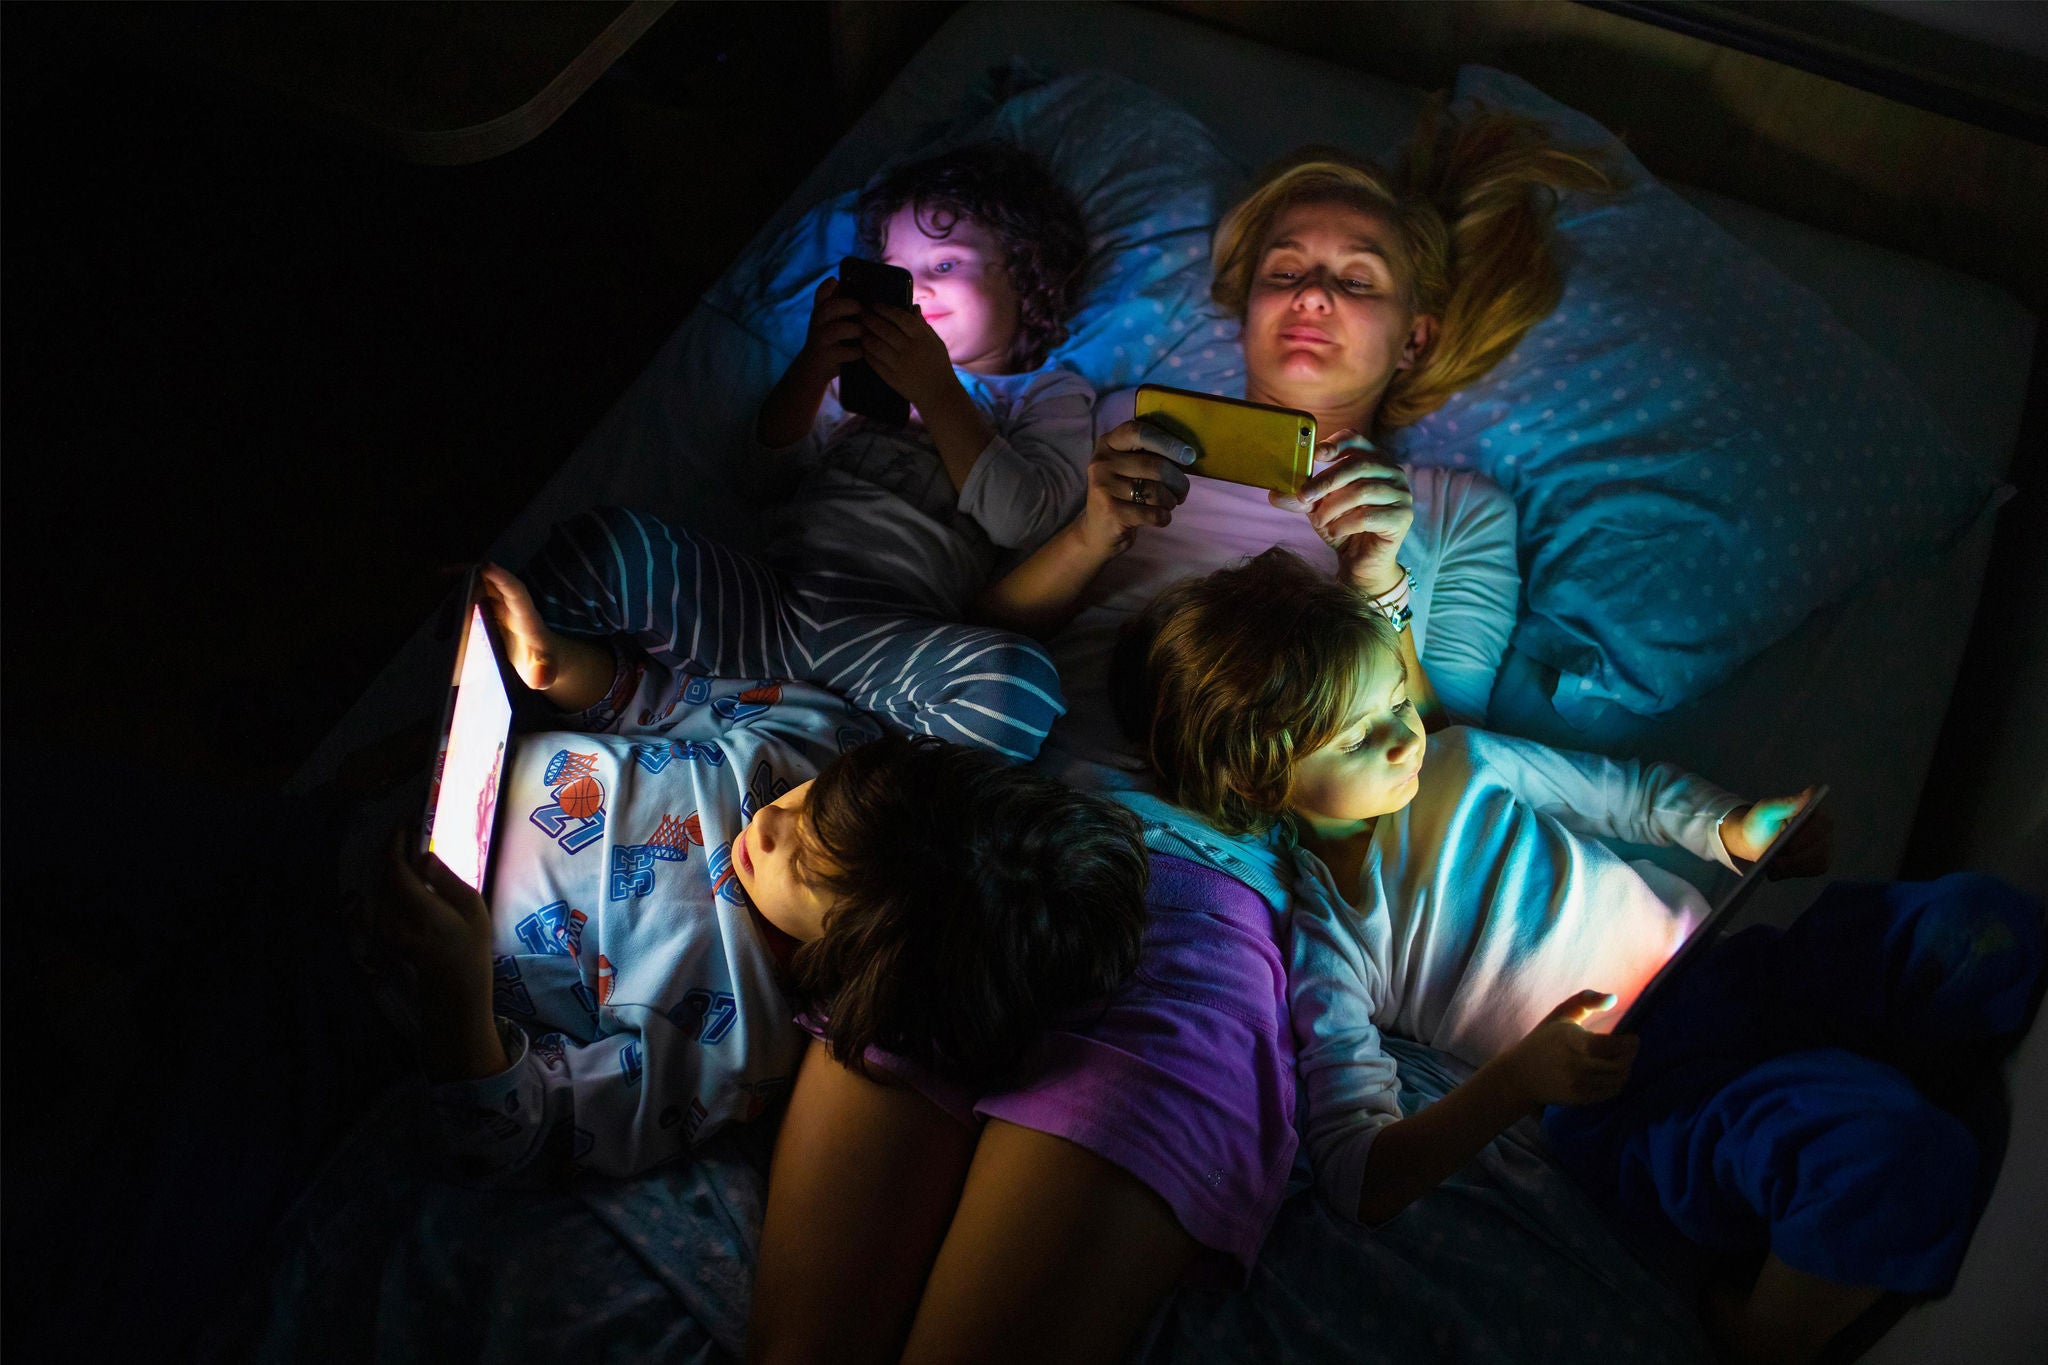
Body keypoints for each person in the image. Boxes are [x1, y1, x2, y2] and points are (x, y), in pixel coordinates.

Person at [749, 106, 1616, 1365]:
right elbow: (991, 634)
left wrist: (1376, 569)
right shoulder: (1132, 429)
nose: (1311, 295)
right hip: (1000, 843)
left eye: (1353, 279)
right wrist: (1096, 532)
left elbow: (1419, 758)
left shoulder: (1454, 514)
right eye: (1284, 272)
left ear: (1413, 332)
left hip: (1205, 893)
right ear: (1244, 310)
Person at [1122, 547, 2043, 1365]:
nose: (1406, 733)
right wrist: (1519, 1080)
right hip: (1648, 1089)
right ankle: (1762, 1330)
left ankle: (1891, 1064)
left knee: (1974, 927)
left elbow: (1629, 797)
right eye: (1363, 735)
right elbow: (1360, 1172)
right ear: (1259, 775)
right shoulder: (1332, 933)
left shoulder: (1465, 762)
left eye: (1397, 699)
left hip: (1741, 965)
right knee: (1875, 1151)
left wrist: (1734, 827)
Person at [378, 564, 1149, 1183]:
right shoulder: (823, 738)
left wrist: (455, 981)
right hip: (438, 755)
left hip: (390, 937)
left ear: (860, 959)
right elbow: (651, 700)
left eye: (809, 865)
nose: (776, 821)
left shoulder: (733, 1045)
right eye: (816, 800)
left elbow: (524, 1125)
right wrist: (557, 666)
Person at [531, 140, 1093, 762]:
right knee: (602, 549)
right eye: (893, 270)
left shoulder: (1046, 391)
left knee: (1018, 690)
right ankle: (599, 697)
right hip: (770, 602)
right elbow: (759, 476)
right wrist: (814, 365)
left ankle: (832, 761)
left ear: (1029, 278)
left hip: (893, 634)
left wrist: (936, 391)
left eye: (943, 267)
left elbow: (1027, 520)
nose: (915, 293)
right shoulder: (854, 373)